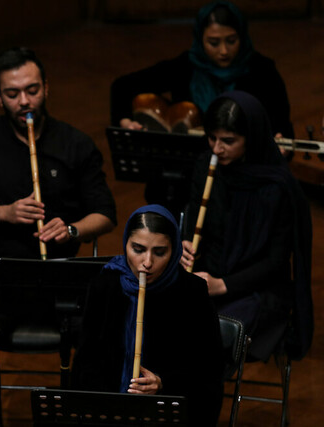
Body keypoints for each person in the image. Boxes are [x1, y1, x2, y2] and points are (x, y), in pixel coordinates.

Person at [0, 47, 117, 426]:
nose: (24, 101)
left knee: (103, 330)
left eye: (32, 90)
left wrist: (71, 229)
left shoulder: (76, 144)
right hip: (4, 270)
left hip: (66, 270)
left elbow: (105, 215)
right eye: (13, 94)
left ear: (46, 88)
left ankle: (83, 415)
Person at [180, 91, 313, 362]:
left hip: (258, 290)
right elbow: (196, 221)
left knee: (205, 335)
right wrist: (186, 243)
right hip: (209, 278)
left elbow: (275, 263)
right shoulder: (207, 166)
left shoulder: (278, 186)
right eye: (212, 138)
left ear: (250, 139)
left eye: (228, 141)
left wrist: (222, 285)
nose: (217, 149)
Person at [71, 205, 223, 426]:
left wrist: (163, 383)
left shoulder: (193, 291)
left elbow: (208, 368)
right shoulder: (105, 284)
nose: (148, 262)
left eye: (160, 252)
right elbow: (87, 359)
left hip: (169, 410)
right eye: (138, 249)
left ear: (174, 252)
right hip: (109, 410)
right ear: (125, 245)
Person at [111, 1, 293, 138]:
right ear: (200, 39)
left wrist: (281, 141)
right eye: (213, 43)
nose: (223, 51)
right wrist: (125, 120)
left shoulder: (263, 70)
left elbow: (282, 124)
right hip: (191, 166)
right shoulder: (185, 65)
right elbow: (122, 86)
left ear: (242, 37)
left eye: (231, 41)